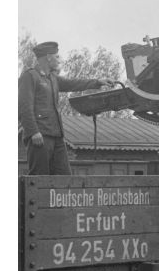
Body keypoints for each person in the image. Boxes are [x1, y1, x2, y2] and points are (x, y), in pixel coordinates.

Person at [18, 41, 115, 175]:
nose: (59, 60)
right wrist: (33, 131)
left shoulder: (53, 78)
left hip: (57, 136)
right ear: (48, 57)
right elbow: (24, 107)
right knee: (39, 179)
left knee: (64, 177)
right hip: (40, 136)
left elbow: (74, 83)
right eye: (57, 57)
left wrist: (98, 82)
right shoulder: (30, 76)